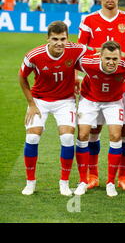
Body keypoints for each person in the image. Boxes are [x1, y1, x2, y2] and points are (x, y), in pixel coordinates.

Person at [78, 0, 125, 192]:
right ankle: (92, 174)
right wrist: (103, 52)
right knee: (93, 131)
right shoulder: (89, 20)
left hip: (121, 86)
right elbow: (80, 49)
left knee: (123, 132)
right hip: (94, 86)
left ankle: (123, 177)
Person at [19, 21, 94, 196]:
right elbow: (22, 77)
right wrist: (31, 104)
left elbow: (99, 53)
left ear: (68, 38)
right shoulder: (34, 56)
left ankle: (64, 183)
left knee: (68, 138)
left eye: (63, 39)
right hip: (39, 100)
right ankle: (30, 182)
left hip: (65, 101)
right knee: (32, 137)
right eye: (55, 39)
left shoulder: (76, 49)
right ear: (48, 38)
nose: (59, 43)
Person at [73, 41, 125, 197]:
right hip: (90, 100)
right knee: (83, 135)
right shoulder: (87, 63)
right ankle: (83, 181)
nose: (111, 62)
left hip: (114, 102)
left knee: (116, 135)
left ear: (120, 58)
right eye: (107, 58)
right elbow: (69, 59)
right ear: (100, 57)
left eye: (115, 59)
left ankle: (110, 183)